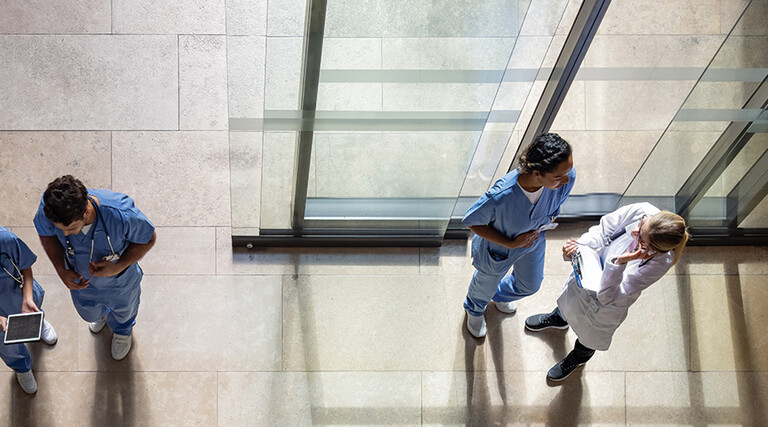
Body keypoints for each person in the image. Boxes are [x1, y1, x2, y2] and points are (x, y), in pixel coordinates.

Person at [525, 203, 689, 381]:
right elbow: (603, 230)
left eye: (642, 240)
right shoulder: (642, 210)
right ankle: (559, 318)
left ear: (654, 250)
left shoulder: (658, 263)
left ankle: (577, 359)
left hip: (607, 306)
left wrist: (620, 262)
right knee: (569, 301)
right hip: (590, 271)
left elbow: (608, 296)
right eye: (642, 224)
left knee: (590, 338)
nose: (634, 231)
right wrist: (580, 246)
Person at [463, 133, 575, 338]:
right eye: (559, 176)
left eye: (568, 171)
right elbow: (473, 221)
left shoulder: (566, 179)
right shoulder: (501, 196)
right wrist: (509, 242)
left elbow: (555, 203)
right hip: (499, 249)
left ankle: (496, 295)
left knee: (529, 285)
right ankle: (474, 309)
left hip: (533, 241)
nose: (567, 179)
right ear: (536, 172)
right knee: (485, 283)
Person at [34, 175, 156, 361]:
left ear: (86, 212)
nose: (64, 233)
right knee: (89, 312)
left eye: (70, 228)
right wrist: (60, 269)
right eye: (60, 229)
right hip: (82, 282)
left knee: (124, 312)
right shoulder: (51, 209)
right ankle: (101, 315)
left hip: (119, 282)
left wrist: (119, 266)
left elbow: (149, 238)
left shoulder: (121, 214)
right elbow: (46, 233)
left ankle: (123, 332)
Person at [1, 226, 58, 394]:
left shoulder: (5, 239)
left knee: (33, 311)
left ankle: (37, 324)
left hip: (20, 296)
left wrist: (27, 298)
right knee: (8, 348)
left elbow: (25, 267)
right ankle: (22, 368)